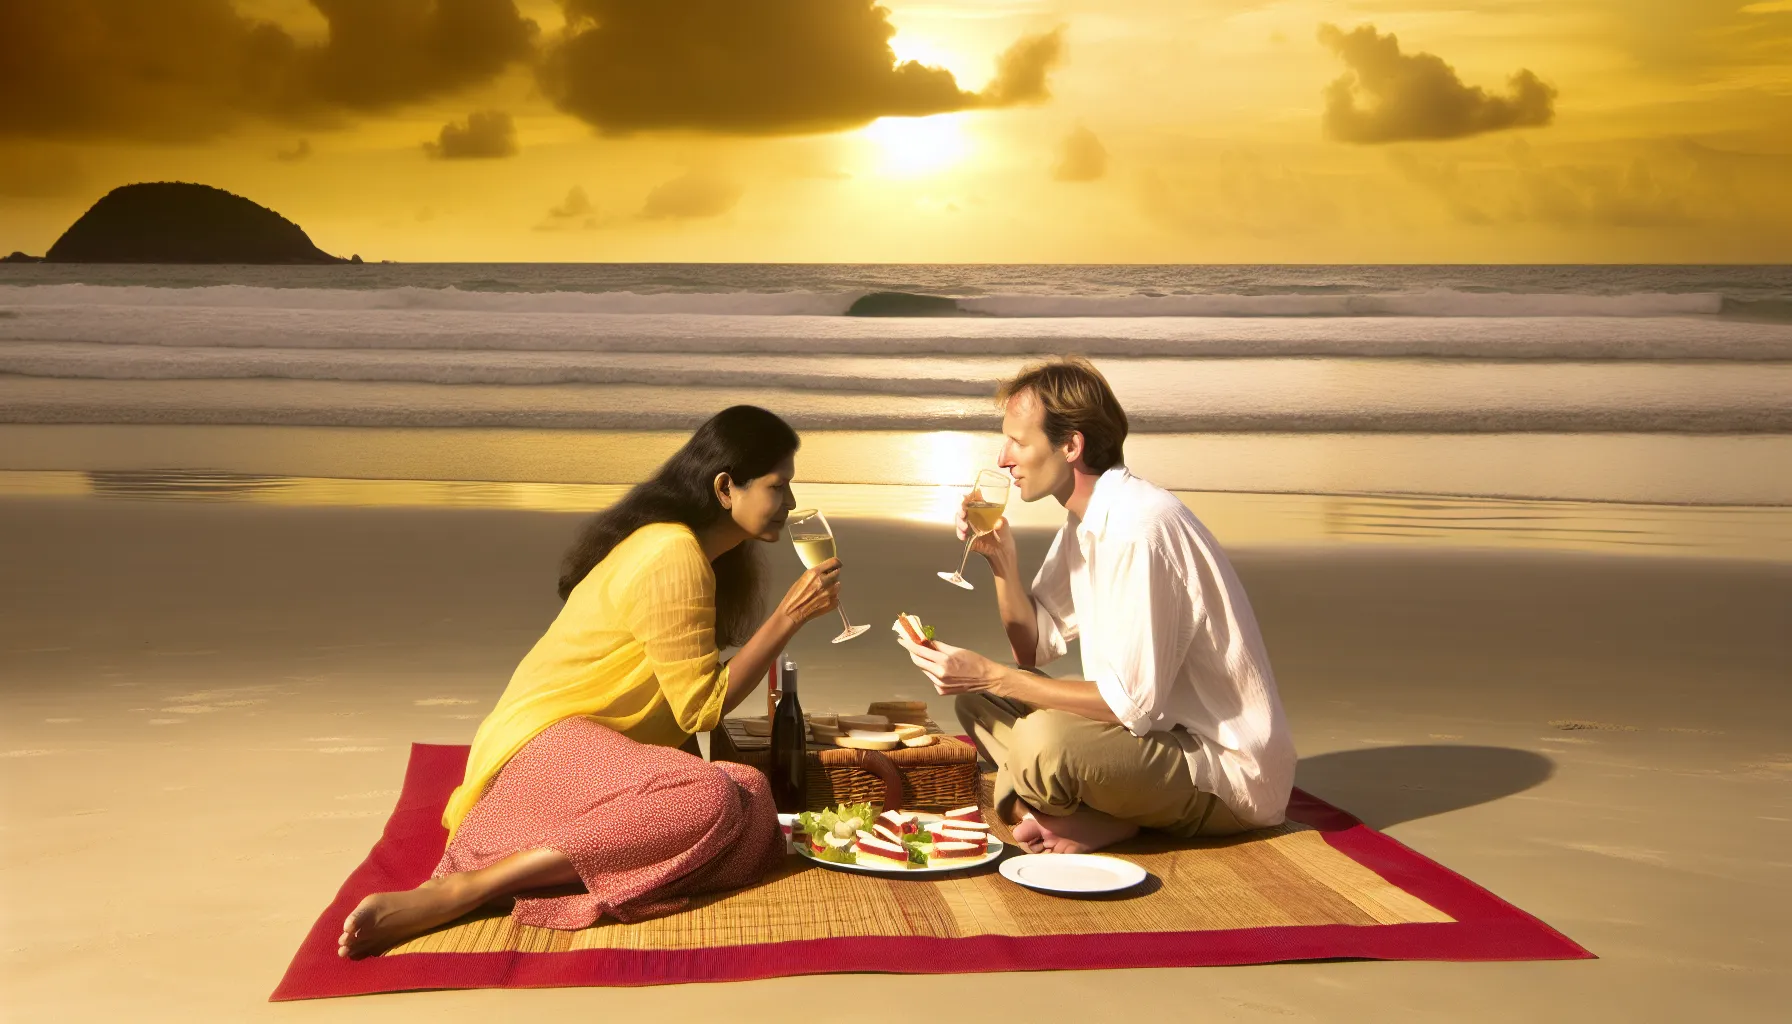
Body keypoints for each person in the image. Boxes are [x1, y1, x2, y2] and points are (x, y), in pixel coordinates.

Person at [340, 405, 842, 958]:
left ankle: (550, 862)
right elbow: (701, 710)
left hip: (597, 762)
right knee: (712, 797)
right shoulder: (672, 553)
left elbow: (687, 717)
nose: (791, 504)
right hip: (540, 752)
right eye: (779, 486)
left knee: (751, 804)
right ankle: (469, 887)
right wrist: (788, 618)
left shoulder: (691, 551)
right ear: (725, 487)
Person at [896, 358, 1295, 855]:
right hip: (1150, 739)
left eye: (1019, 442)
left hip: (1219, 767)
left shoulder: (1137, 529)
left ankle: (1071, 816)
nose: (1003, 458)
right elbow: (1034, 646)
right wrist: (1002, 560)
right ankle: (1062, 813)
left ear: (1071, 445)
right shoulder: (1088, 519)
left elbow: (1130, 705)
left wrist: (990, 674)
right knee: (978, 706)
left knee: (1041, 739)